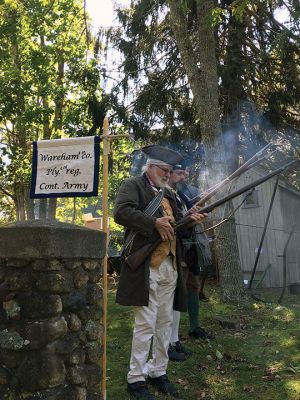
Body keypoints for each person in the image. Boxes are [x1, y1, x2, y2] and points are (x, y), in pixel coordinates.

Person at [113, 145, 207, 400]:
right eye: (164, 170)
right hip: (145, 267)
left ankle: (158, 371)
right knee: (145, 324)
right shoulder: (133, 185)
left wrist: (190, 221)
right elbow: (121, 212)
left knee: (165, 322)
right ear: (151, 168)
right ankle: (136, 378)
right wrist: (153, 222)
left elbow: (177, 230)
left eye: (169, 171)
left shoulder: (170, 195)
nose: (167, 175)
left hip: (170, 265)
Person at [167, 165, 215, 362]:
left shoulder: (188, 191)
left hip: (192, 246)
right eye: (179, 173)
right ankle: (169, 341)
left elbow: (193, 211)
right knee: (175, 293)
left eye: (185, 173)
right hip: (178, 246)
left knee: (192, 286)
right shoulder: (168, 193)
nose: (183, 176)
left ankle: (192, 328)